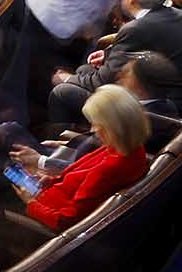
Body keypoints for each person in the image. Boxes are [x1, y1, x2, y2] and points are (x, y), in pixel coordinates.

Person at [48, 0, 182, 124]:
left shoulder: (136, 28)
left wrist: (67, 78)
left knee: (62, 92)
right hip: (170, 95)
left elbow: (104, 80)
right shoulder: (176, 15)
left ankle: (66, 143)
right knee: (85, 69)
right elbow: (160, 46)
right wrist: (108, 54)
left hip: (157, 110)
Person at [16, 84, 152, 230]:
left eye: (95, 124)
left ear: (112, 127)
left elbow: (65, 220)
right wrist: (51, 181)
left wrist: (30, 202)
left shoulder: (109, 168)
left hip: (43, 213)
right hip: (49, 191)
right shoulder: (130, 147)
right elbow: (83, 176)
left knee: (2, 170)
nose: (93, 129)